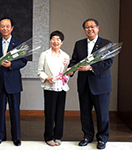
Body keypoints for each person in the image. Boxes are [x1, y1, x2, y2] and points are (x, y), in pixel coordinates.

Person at [67, 18, 113, 149]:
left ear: (98, 28)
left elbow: (108, 62)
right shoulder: (79, 44)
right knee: (85, 113)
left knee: (102, 114)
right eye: (87, 27)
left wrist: (91, 68)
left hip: (101, 85)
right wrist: (71, 70)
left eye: (92, 27)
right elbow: (74, 60)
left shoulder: (106, 43)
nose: (90, 29)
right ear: (84, 30)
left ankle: (102, 139)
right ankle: (87, 136)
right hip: (84, 84)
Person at [0, 17, 27, 146]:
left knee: (15, 111)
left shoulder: (19, 44)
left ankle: (16, 138)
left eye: (7, 26)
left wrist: (11, 64)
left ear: (12, 28)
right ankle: (0, 137)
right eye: (2, 26)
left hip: (14, 83)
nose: (5, 28)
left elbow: (23, 61)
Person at [38, 30, 70, 146]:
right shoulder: (44, 54)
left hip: (61, 88)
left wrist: (67, 75)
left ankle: (58, 136)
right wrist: (47, 78)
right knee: (50, 113)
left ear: (62, 42)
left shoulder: (66, 56)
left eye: (58, 39)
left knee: (60, 114)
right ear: (50, 41)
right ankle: (49, 137)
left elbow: (68, 72)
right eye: (53, 39)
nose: (55, 41)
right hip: (49, 87)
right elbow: (40, 71)